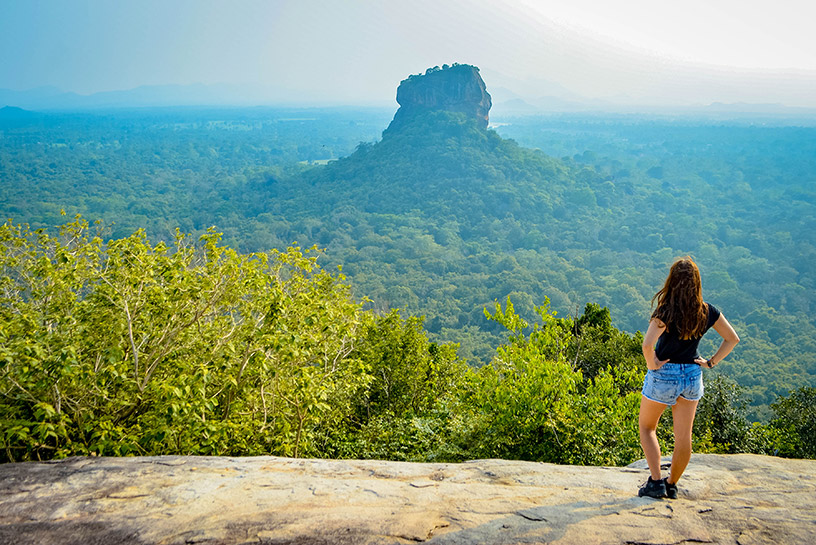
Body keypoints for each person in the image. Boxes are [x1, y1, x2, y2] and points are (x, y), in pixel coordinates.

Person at [638, 257, 740, 499]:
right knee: (684, 437)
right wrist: (711, 362)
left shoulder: (666, 311)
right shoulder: (707, 311)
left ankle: (655, 483)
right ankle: (672, 485)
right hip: (692, 376)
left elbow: (647, 345)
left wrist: (653, 364)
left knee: (647, 427)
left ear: (672, 281)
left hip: (665, 375)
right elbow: (732, 338)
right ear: (697, 283)